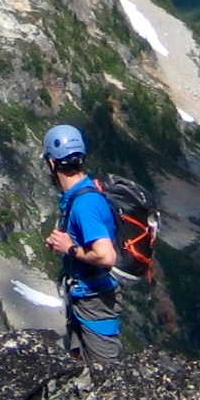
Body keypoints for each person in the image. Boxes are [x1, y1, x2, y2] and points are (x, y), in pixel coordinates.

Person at [43, 124, 122, 365]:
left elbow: (106, 256)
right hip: (84, 295)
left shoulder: (83, 204)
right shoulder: (80, 195)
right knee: (79, 366)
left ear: (51, 162)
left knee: (104, 373)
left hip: (95, 299)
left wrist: (70, 249)